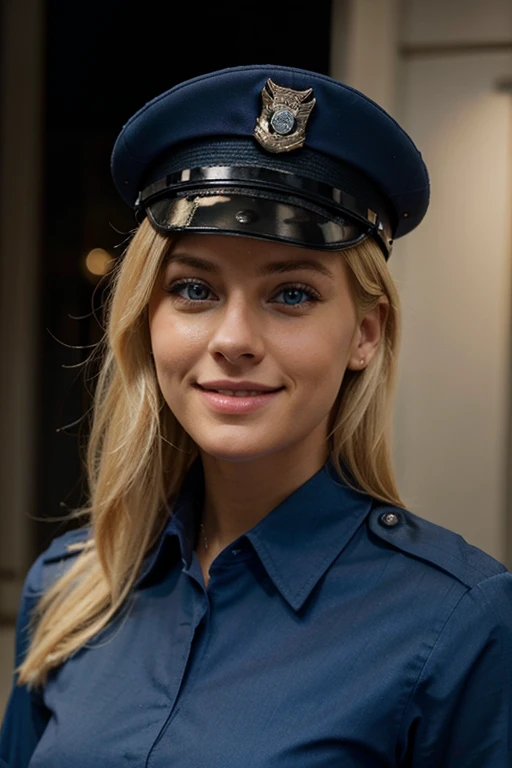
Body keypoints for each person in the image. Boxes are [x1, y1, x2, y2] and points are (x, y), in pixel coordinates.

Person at [1, 63, 511, 767]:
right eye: (193, 288)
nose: (234, 339)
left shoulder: (460, 621)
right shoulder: (68, 587)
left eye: (292, 295)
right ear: (148, 317)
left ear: (366, 332)